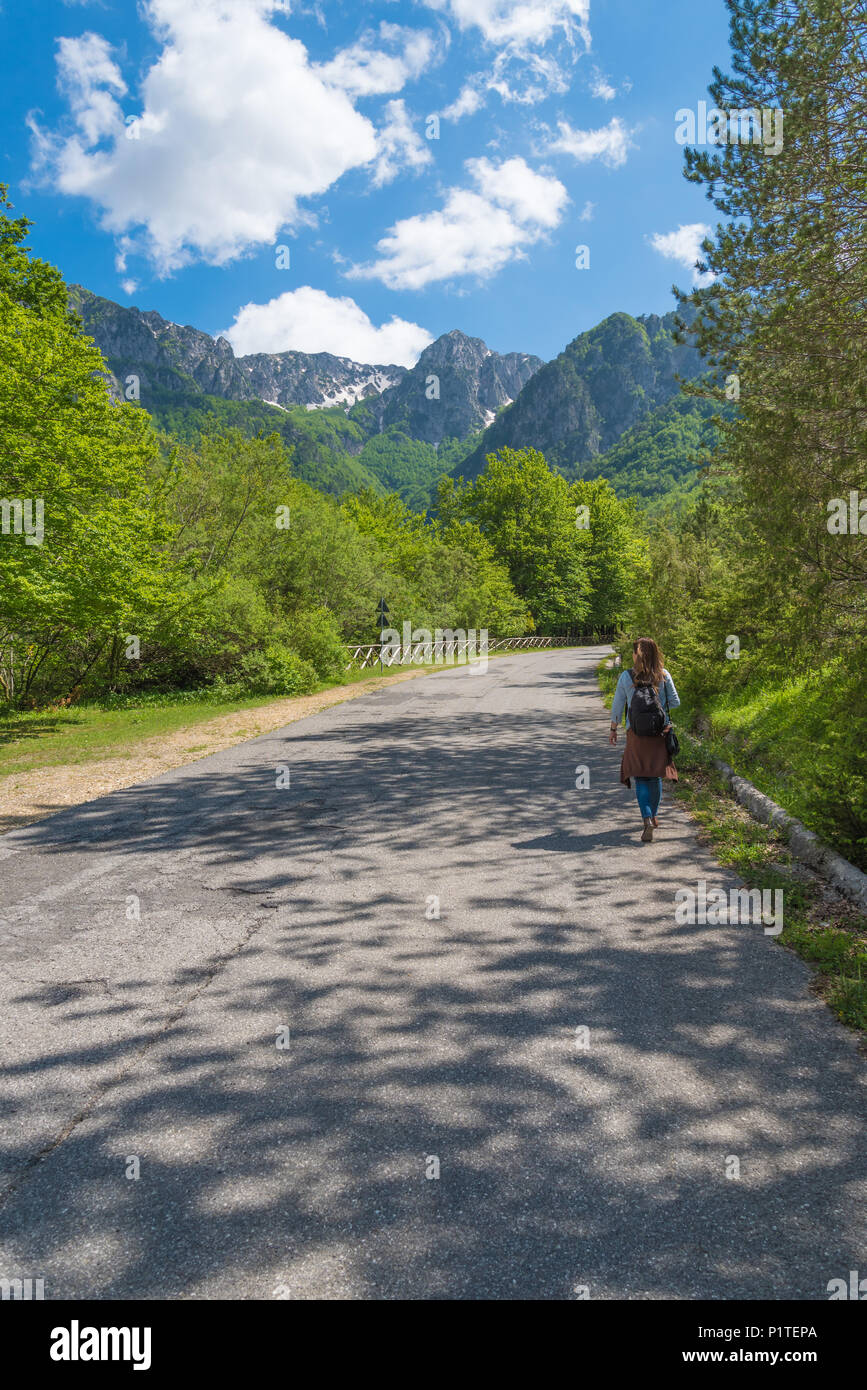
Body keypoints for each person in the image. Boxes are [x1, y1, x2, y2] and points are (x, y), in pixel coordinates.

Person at [608, 637, 680, 842]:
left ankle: (646, 817)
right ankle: (654, 815)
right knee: (655, 775)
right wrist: (660, 705)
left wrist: (613, 729)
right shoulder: (663, 675)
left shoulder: (626, 676)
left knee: (640, 776)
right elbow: (675, 702)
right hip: (659, 733)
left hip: (636, 733)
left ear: (635, 655)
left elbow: (617, 706)